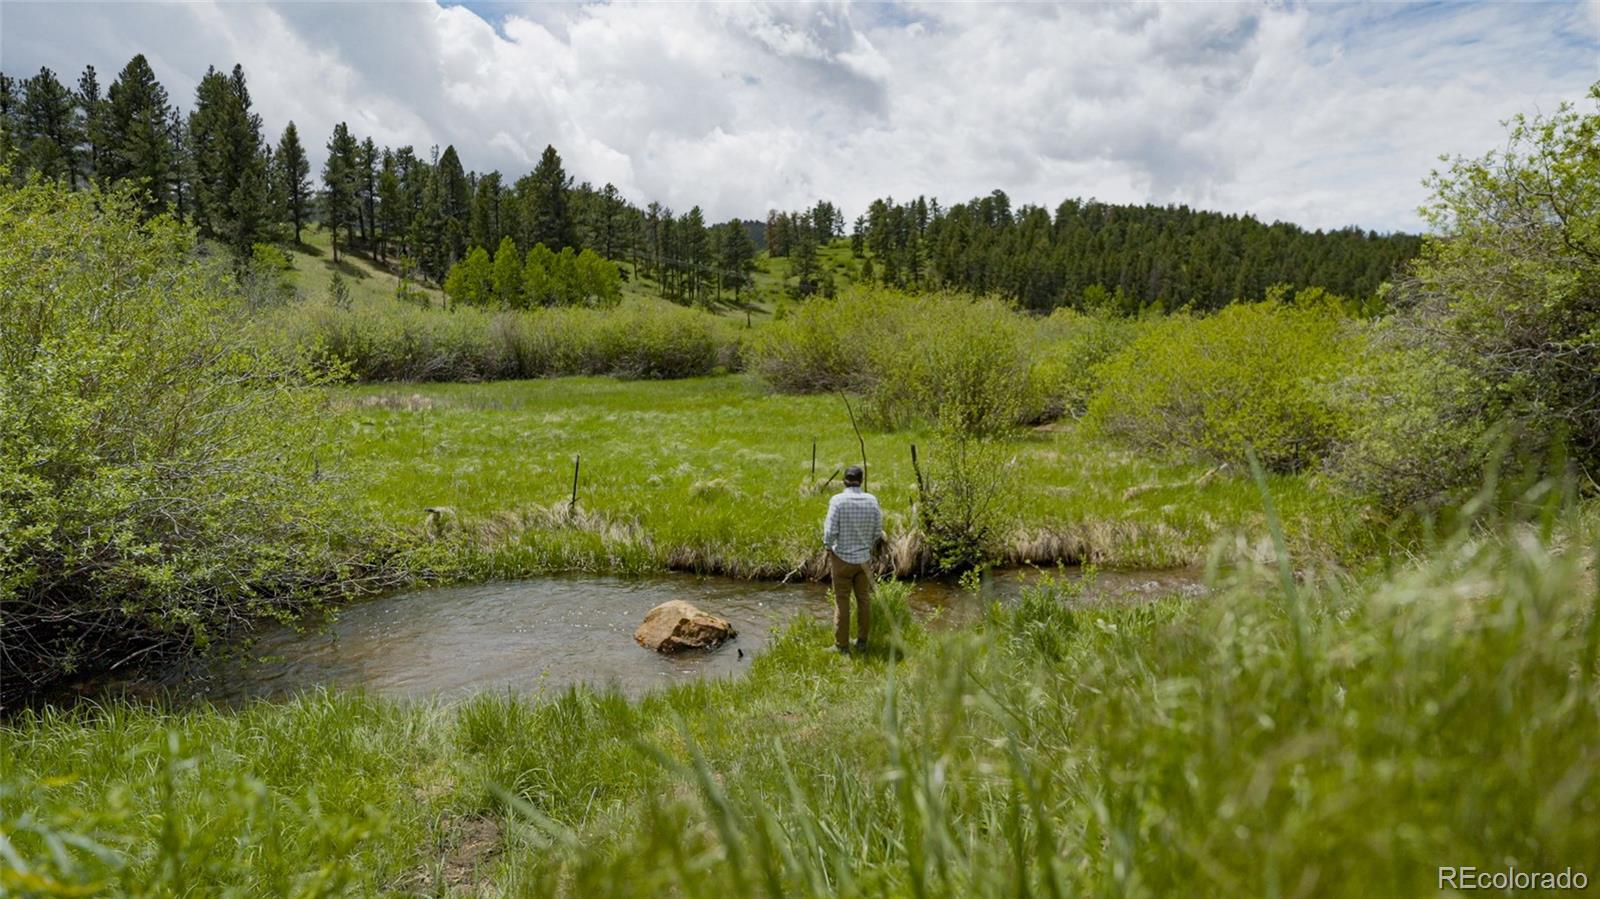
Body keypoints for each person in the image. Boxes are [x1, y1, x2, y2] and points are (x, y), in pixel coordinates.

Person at [822, 465, 883, 653]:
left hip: (842, 559)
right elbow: (877, 532)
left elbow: (830, 532)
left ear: (844, 480)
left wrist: (828, 547)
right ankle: (862, 642)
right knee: (863, 599)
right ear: (862, 481)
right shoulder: (872, 501)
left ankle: (841, 646)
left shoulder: (837, 501)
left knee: (842, 600)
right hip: (864, 560)